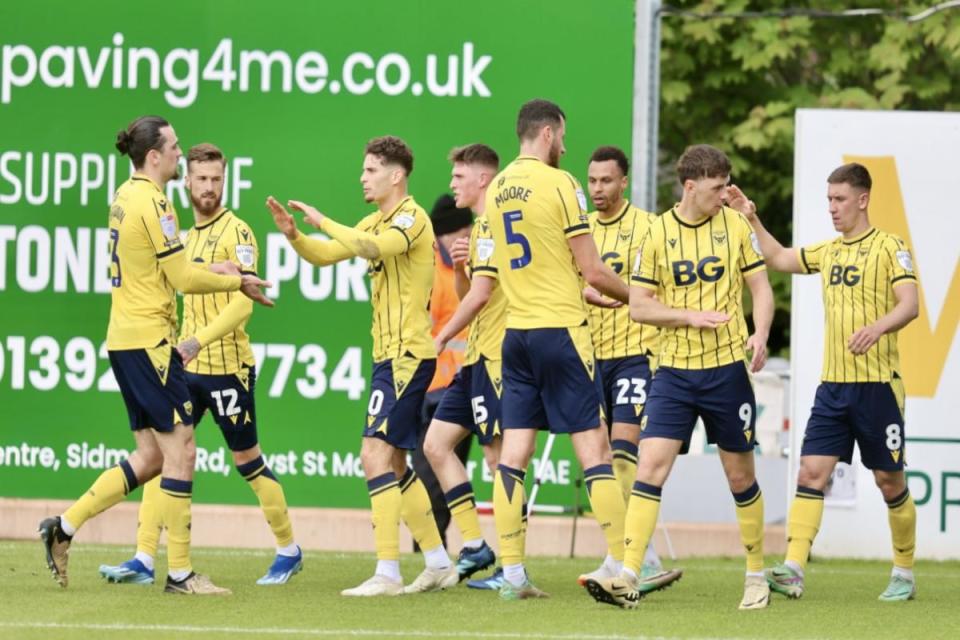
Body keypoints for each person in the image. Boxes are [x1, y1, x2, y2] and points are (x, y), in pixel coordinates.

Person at [38, 116, 272, 595]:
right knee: (182, 448)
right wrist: (236, 279)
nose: (180, 155)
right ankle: (181, 574)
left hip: (125, 338)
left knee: (150, 456)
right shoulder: (157, 202)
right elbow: (183, 280)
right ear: (154, 156)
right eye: (175, 147)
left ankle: (63, 526)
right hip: (150, 343)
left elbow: (167, 265)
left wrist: (218, 266)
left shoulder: (126, 196)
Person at [97, 143, 302, 587]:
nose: (209, 187)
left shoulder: (240, 233)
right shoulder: (181, 238)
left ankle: (288, 549)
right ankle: (144, 557)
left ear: (225, 182)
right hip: (185, 368)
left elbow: (242, 307)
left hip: (228, 368)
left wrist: (196, 340)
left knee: (248, 462)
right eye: (202, 178)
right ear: (186, 182)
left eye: (216, 179)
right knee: (168, 454)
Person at [584, 144, 774, 611]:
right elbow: (642, 305)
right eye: (716, 188)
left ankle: (755, 574)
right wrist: (690, 318)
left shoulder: (735, 225)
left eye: (726, 185)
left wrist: (761, 333)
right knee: (649, 468)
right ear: (690, 187)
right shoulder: (657, 233)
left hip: (727, 370)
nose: (725, 194)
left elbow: (761, 288)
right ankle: (630, 574)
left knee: (739, 475)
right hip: (672, 372)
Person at [265, 136, 456, 597]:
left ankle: (388, 572)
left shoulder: (412, 218)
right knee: (393, 461)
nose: (362, 177)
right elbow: (328, 253)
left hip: (409, 356)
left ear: (396, 175)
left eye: (370, 170)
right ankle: (437, 561)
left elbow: (371, 248)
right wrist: (294, 235)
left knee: (372, 454)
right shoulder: (377, 219)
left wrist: (324, 220)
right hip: (386, 357)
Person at [738, 162, 920, 602]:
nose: (833, 209)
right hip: (833, 388)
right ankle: (794, 568)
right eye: (829, 200)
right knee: (811, 472)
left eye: (840, 200)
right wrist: (750, 216)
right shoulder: (829, 251)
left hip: (878, 387)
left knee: (889, 481)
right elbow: (779, 257)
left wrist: (877, 329)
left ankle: (904, 572)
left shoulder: (890, 247)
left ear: (863, 199)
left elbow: (910, 304)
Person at [484, 99, 632, 600]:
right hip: (563, 332)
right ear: (547, 133)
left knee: (513, 457)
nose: (565, 145)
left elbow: (535, 260)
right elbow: (592, 268)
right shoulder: (562, 183)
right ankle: (619, 563)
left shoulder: (498, 187)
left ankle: (513, 574)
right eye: (563, 136)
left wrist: (576, 285)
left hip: (517, 335)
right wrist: (640, 297)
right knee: (595, 448)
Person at [577, 145, 682, 595]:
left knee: (623, 455)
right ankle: (632, 555)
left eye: (606, 181)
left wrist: (623, 298)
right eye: (592, 180)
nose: (597, 189)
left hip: (638, 354)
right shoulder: (578, 231)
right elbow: (573, 281)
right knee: (597, 460)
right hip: (590, 356)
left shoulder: (649, 228)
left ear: (624, 182)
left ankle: (628, 556)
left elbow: (658, 291)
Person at [424, 144, 503, 584]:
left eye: (458, 176)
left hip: (496, 358)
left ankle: (514, 566)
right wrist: (459, 268)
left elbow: (481, 296)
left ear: (481, 180)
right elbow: (467, 287)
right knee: (436, 447)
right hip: (472, 364)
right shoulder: (476, 234)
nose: (452, 183)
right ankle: (474, 544)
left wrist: (441, 335)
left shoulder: (494, 224)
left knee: (500, 462)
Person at [409, 194, 475, 551]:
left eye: (466, 230)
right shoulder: (425, 267)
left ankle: (462, 549)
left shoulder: (477, 262)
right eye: (454, 232)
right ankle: (430, 551)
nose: (460, 239)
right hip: (428, 387)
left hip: (466, 385)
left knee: (452, 472)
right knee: (426, 473)